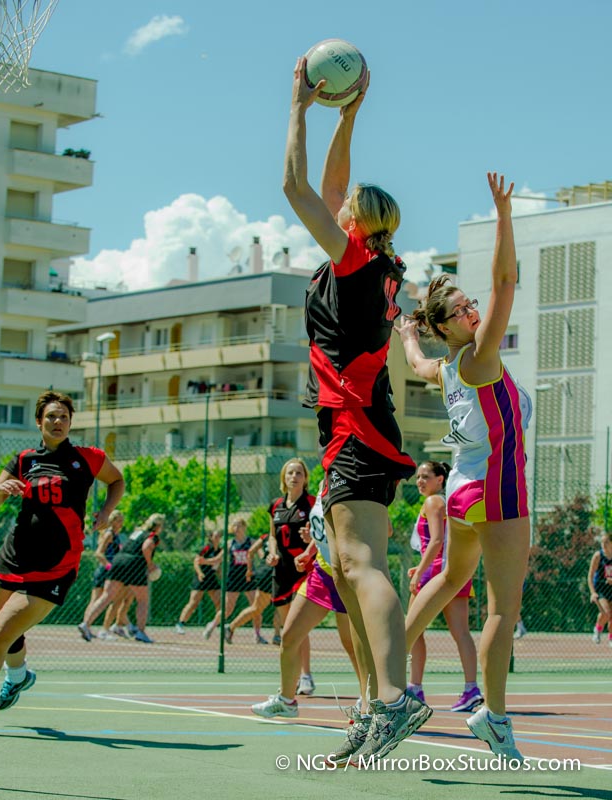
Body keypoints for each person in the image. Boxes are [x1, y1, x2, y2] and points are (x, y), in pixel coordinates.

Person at [283, 57, 428, 764]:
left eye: (344, 206)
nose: (334, 203)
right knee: (345, 568)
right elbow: (335, 188)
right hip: (355, 428)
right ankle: (376, 703)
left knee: (362, 563)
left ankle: (396, 699)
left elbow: (297, 187)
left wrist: (297, 107)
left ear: (355, 223)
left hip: (357, 428)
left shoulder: (355, 263)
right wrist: (347, 115)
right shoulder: (373, 263)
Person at [397, 173, 532, 762]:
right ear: (447, 326)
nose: (473, 310)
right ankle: (494, 717)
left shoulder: (448, 368)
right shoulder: (478, 359)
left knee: (451, 581)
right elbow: (506, 281)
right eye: (461, 309)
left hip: (461, 488)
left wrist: (408, 335)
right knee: (502, 608)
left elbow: (417, 363)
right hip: (498, 485)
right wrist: (504, 215)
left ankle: (385, 670)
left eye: (469, 304)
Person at [0, 390, 124, 710]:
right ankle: (18, 676)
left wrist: (106, 511)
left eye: (64, 417)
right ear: (39, 422)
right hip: (15, 557)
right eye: (51, 416)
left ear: (70, 423)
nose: (58, 421)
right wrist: (0, 489)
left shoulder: (88, 457)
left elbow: (117, 481)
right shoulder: (24, 459)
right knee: (8, 632)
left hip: (55, 565)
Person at [252, 481, 377, 768]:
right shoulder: (325, 485)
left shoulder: (355, 483)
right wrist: (310, 550)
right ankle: (287, 700)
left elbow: (382, 529)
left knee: (353, 645)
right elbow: (327, 527)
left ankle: (368, 706)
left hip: (347, 574)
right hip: (321, 571)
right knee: (289, 636)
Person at [407, 461, 483, 712]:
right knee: (461, 633)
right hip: (455, 570)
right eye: (418, 477)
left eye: (425, 476)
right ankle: (471, 689)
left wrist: (421, 571)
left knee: (413, 629)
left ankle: (415, 688)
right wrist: (420, 565)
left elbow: (437, 540)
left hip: (436, 573)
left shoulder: (433, 502)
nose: (420, 481)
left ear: (440, 479)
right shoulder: (446, 502)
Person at [265, 458, 316, 694]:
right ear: (283, 478)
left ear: (305, 479)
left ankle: (306, 676)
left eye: (298, 473)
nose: (294, 476)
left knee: (297, 626)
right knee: (288, 629)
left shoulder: (312, 504)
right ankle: (292, 678)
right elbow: (272, 536)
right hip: (282, 570)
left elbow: (322, 534)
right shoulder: (275, 506)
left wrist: (310, 540)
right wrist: (272, 552)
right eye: (290, 473)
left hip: (303, 570)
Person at [79, 513, 164, 644]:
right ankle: (140, 632)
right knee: (142, 600)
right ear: (158, 526)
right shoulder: (152, 536)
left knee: (107, 596)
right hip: (134, 564)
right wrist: (150, 564)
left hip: (119, 561)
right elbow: (146, 547)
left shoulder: (137, 533)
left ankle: (86, 624)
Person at [202, 519, 266, 643]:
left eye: (239, 525)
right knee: (227, 609)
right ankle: (212, 625)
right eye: (234, 526)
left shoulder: (251, 542)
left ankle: (257, 634)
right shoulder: (229, 543)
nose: (236, 528)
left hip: (248, 577)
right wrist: (204, 561)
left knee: (256, 607)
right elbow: (218, 559)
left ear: (244, 527)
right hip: (234, 578)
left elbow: (261, 555)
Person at [222, 531, 281, 644]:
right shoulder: (283, 534)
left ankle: (277, 635)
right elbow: (250, 551)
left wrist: (249, 570)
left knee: (279, 605)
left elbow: (250, 551)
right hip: (271, 573)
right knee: (259, 608)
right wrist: (249, 570)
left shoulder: (266, 536)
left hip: (270, 572)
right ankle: (230, 627)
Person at [81, 509, 127, 640]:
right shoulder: (109, 534)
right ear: (113, 521)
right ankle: (89, 627)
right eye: (119, 520)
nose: (121, 523)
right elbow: (99, 553)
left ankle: (87, 626)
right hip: (105, 571)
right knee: (99, 600)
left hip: (110, 572)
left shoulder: (116, 535)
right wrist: (109, 566)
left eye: (122, 520)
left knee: (107, 599)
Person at [175, 530, 222, 634]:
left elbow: (218, 566)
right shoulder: (206, 548)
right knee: (193, 603)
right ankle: (180, 624)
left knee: (220, 601)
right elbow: (196, 562)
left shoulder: (219, 551)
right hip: (201, 577)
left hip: (211, 578)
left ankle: (217, 624)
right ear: (211, 537)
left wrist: (221, 576)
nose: (218, 538)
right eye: (216, 536)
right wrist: (200, 573)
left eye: (219, 536)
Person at [588, 531, 612, 646]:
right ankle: (597, 629)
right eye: (602, 542)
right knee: (606, 612)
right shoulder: (598, 556)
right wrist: (592, 592)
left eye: (606, 542)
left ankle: (611, 638)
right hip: (601, 589)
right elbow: (590, 576)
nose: (603, 544)